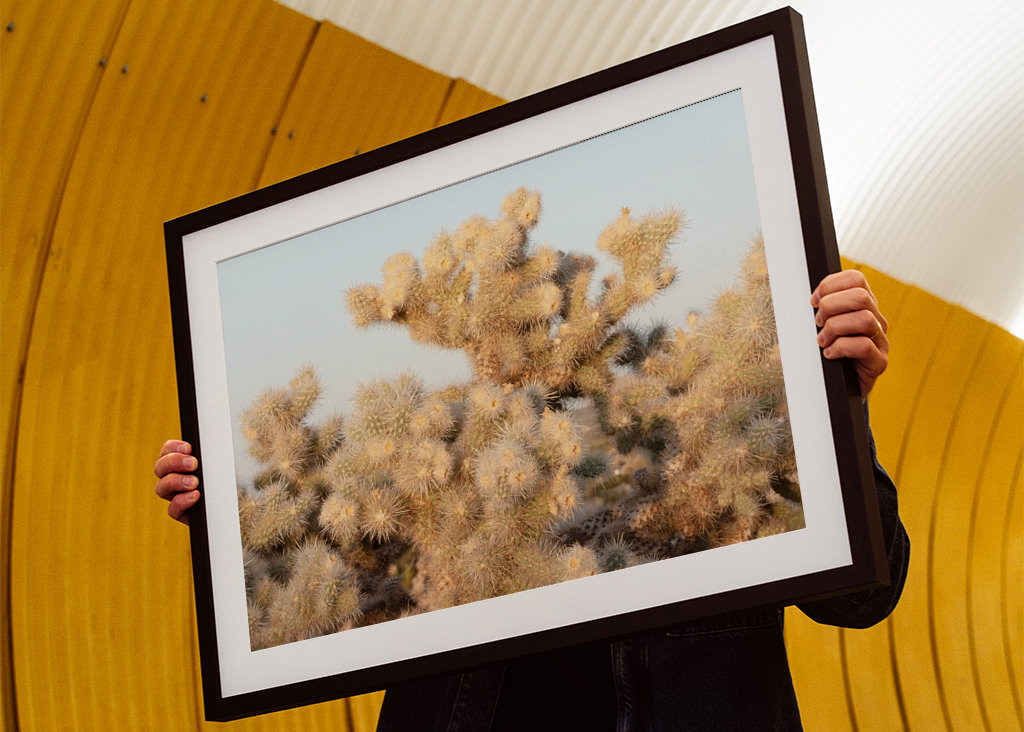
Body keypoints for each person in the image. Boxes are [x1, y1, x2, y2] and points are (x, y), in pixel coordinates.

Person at [155, 270, 908, 731]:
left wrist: (834, 406)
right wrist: (234, 519)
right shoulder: (439, 452)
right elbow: (357, 572)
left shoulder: (702, 434)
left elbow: (865, 595)